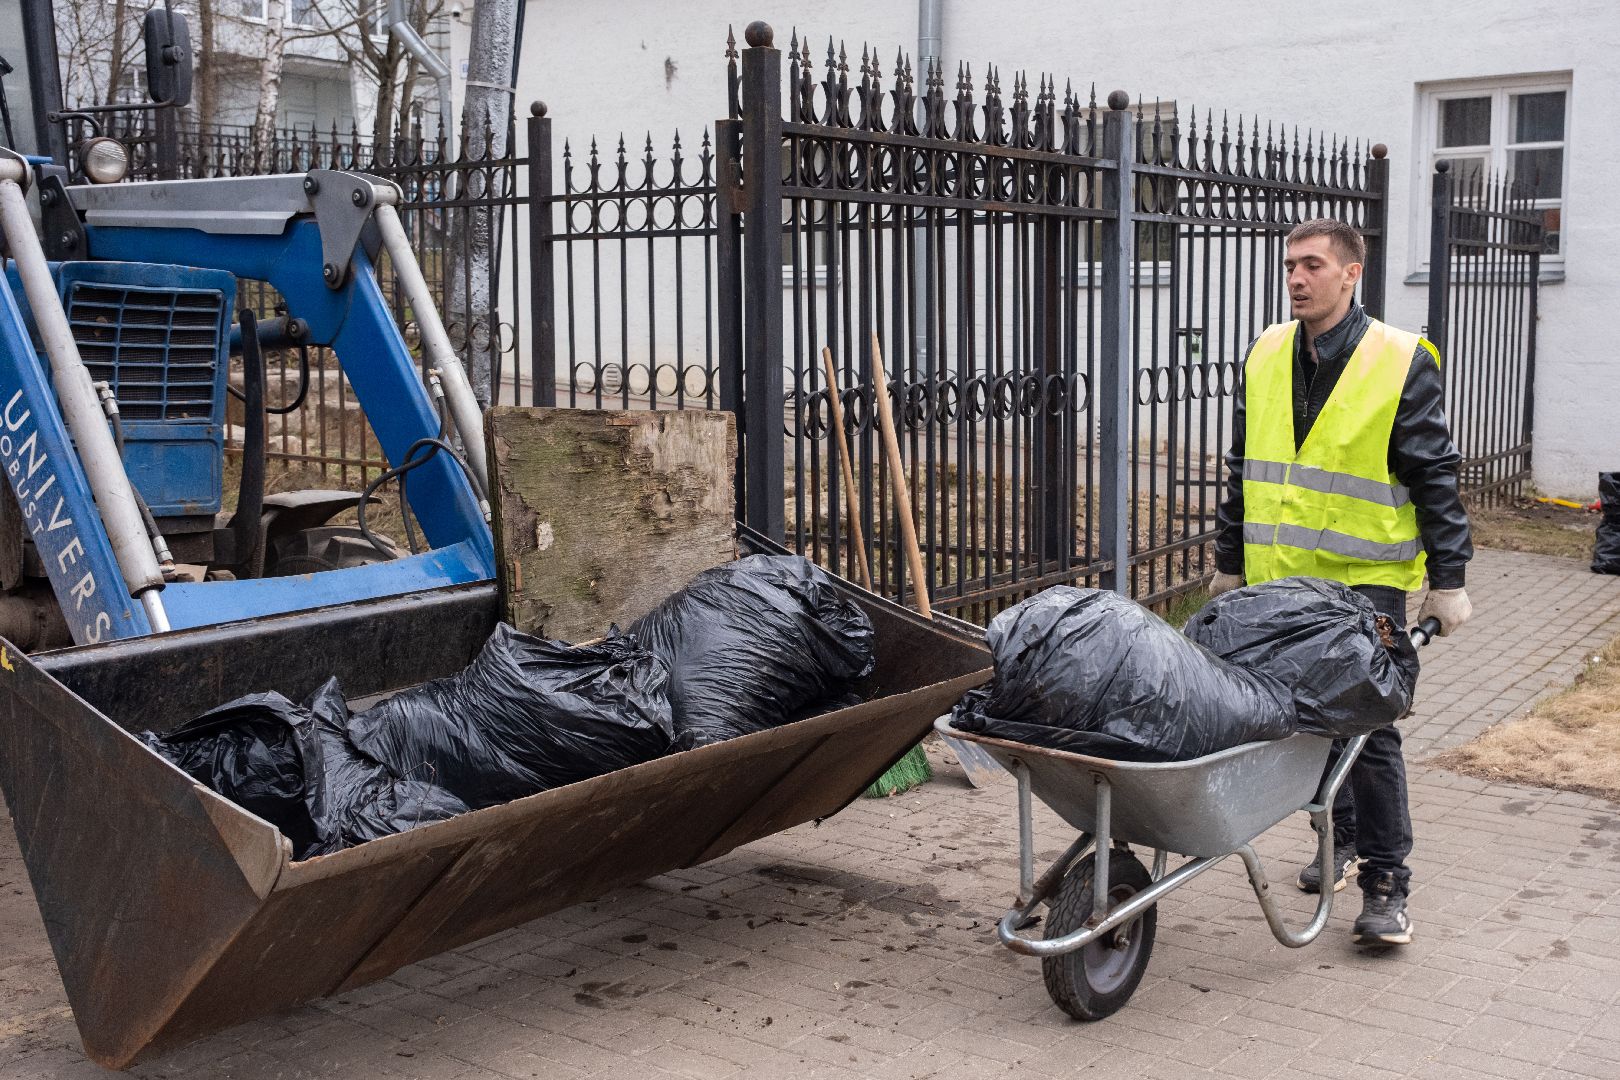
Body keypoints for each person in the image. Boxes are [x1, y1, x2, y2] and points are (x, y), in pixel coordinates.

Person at [1210, 217, 1473, 947]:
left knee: (1372, 729)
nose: (1296, 277)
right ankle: (1343, 841)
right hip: (1280, 584)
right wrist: (1230, 562)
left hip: (1366, 587)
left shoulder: (1400, 359)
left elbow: (1433, 475)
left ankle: (1388, 882)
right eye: (1291, 265)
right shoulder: (1266, 352)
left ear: (1351, 274)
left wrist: (1448, 580)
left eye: (1313, 265)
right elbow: (1243, 467)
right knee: (1305, 724)